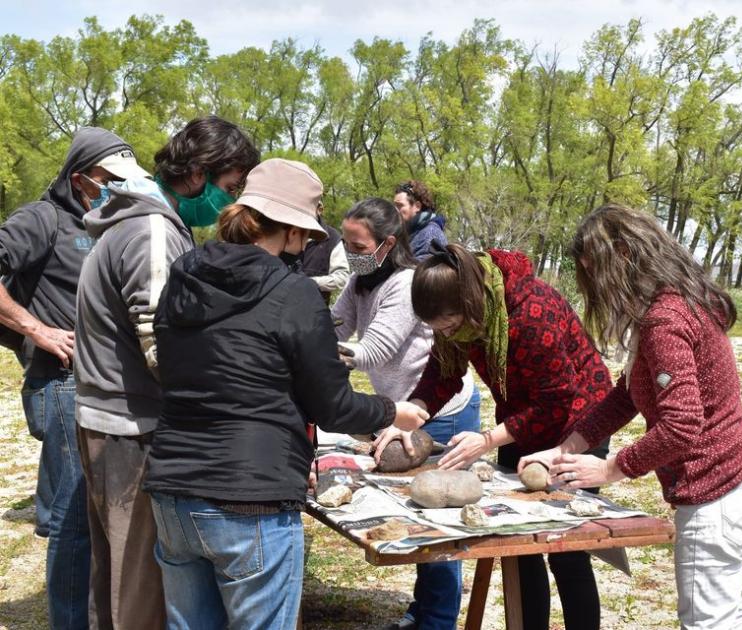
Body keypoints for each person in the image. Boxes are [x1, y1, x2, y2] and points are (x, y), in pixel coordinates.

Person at [142, 159, 429, 630]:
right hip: (250, 497)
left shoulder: (183, 274)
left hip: (174, 489)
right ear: (294, 231)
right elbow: (332, 406)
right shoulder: (292, 293)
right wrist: (391, 411)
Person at [521, 205, 742, 630]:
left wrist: (611, 468)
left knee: (710, 621)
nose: (594, 286)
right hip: (734, 480)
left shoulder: (664, 319)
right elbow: (628, 395)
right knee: (728, 615)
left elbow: (682, 425)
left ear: (622, 255)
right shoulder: (669, 304)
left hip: (717, 487)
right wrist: (566, 448)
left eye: (592, 271)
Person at [73, 115, 259, 630]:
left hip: (109, 417)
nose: (230, 201)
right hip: (132, 426)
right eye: (229, 187)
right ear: (198, 173)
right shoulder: (153, 230)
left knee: (115, 574)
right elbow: (162, 345)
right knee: (140, 584)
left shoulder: (136, 220)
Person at [376, 242, 613, 630]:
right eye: (440, 329)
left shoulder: (531, 311)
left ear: (470, 301)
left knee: (565, 547)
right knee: (519, 547)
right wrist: (406, 417)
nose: (448, 334)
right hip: (522, 419)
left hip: (577, 423)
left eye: (450, 325)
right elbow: (441, 376)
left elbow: (557, 398)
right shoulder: (458, 313)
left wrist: (487, 439)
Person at [0, 128, 146, 629]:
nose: (117, 188)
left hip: (104, 383)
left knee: (96, 515)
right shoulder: (41, 219)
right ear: (80, 177)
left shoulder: (110, 220)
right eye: (108, 180)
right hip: (63, 384)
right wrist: (35, 328)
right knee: (74, 517)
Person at [331, 198, 480, 630]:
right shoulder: (359, 283)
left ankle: (437, 622)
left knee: (438, 525)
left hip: (441, 410)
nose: (349, 252)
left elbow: (373, 349)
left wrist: (311, 353)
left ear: (386, 243)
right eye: (345, 242)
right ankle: (423, 613)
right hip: (401, 409)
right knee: (416, 518)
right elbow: (334, 327)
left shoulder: (404, 283)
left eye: (357, 245)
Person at [299, 199, 349, 304]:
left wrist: (311, 282)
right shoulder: (289, 231)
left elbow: (342, 277)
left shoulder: (332, 238)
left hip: (314, 308)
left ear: (319, 210)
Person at [393, 180, 447, 260]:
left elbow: (420, 272)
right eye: (394, 205)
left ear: (417, 206)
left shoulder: (431, 235)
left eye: (400, 205)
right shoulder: (407, 233)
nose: (395, 210)